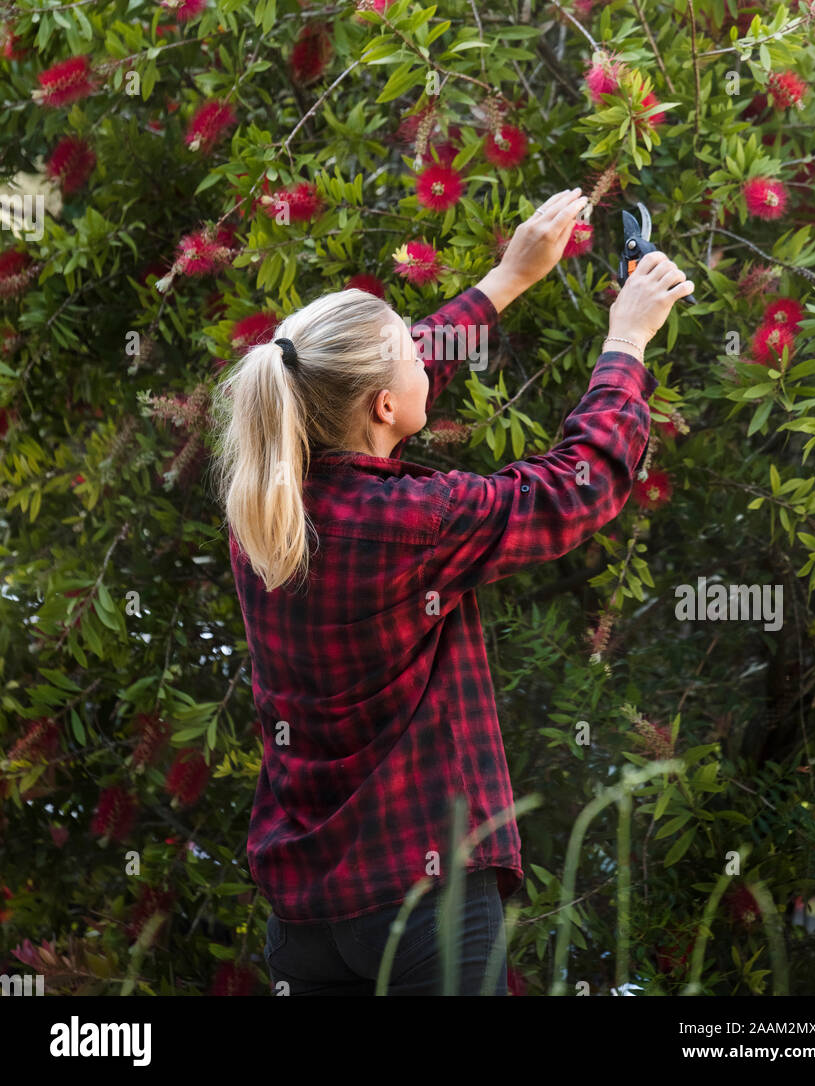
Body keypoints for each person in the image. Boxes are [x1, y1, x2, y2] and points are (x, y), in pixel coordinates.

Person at [211, 186, 695, 995]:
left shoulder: (260, 510)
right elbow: (575, 487)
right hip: (420, 904)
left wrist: (508, 278)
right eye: (407, 348)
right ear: (386, 404)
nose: (420, 347)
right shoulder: (412, 520)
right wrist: (626, 342)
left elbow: (361, 379)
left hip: (306, 918)